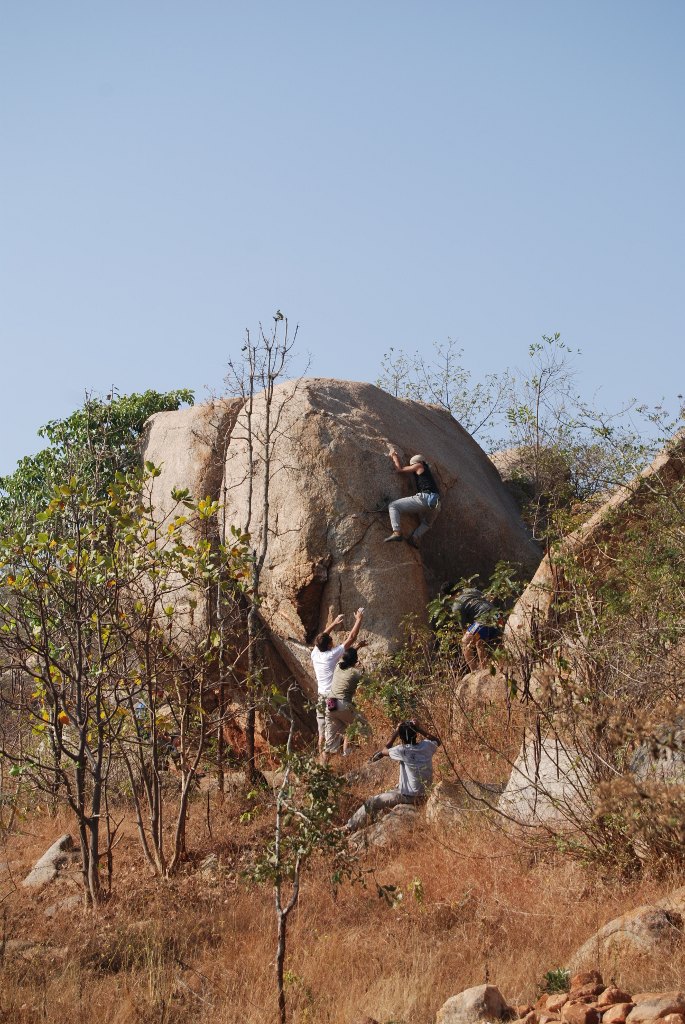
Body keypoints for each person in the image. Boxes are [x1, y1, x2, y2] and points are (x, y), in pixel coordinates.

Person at [345, 720, 440, 831]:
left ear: (401, 738)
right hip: (425, 792)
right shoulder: (427, 746)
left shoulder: (402, 750)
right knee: (395, 787)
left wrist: (396, 731)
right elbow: (437, 741)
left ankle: (349, 827)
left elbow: (385, 749)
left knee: (371, 801)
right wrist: (417, 728)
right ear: (416, 734)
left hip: (409, 796)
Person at [311, 607, 364, 753]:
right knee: (349, 725)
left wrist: (333, 624)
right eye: (331, 642)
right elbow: (351, 637)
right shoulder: (331, 655)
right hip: (332, 698)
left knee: (323, 734)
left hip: (321, 697)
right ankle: (348, 755)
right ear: (329, 645)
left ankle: (322, 765)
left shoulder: (315, 654)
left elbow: (321, 639)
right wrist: (359, 619)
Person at [321, 646, 371, 765]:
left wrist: (357, 648)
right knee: (362, 725)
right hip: (342, 703)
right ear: (355, 661)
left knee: (329, 744)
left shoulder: (338, 666)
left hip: (330, 703)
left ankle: (322, 769)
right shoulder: (356, 673)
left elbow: (345, 657)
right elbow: (371, 685)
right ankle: (349, 754)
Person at [384, 450, 441, 546]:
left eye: (412, 465)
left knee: (393, 506)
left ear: (419, 462)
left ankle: (397, 532)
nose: (412, 467)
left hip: (425, 498)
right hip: (437, 504)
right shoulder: (427, 471)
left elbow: (400, 470)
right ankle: (414, 537)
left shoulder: (419, 465)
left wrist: (394, 456)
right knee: (427, 523)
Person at [452, 587, 502, 671]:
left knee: (465, 642)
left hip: (484, 619)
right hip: (497, 615)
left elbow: (464, 630)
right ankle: (486, 668)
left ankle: (475, 672)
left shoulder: (456, 605)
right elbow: (488, 599)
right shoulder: (470, 590)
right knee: (480, 641)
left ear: (448, 597)